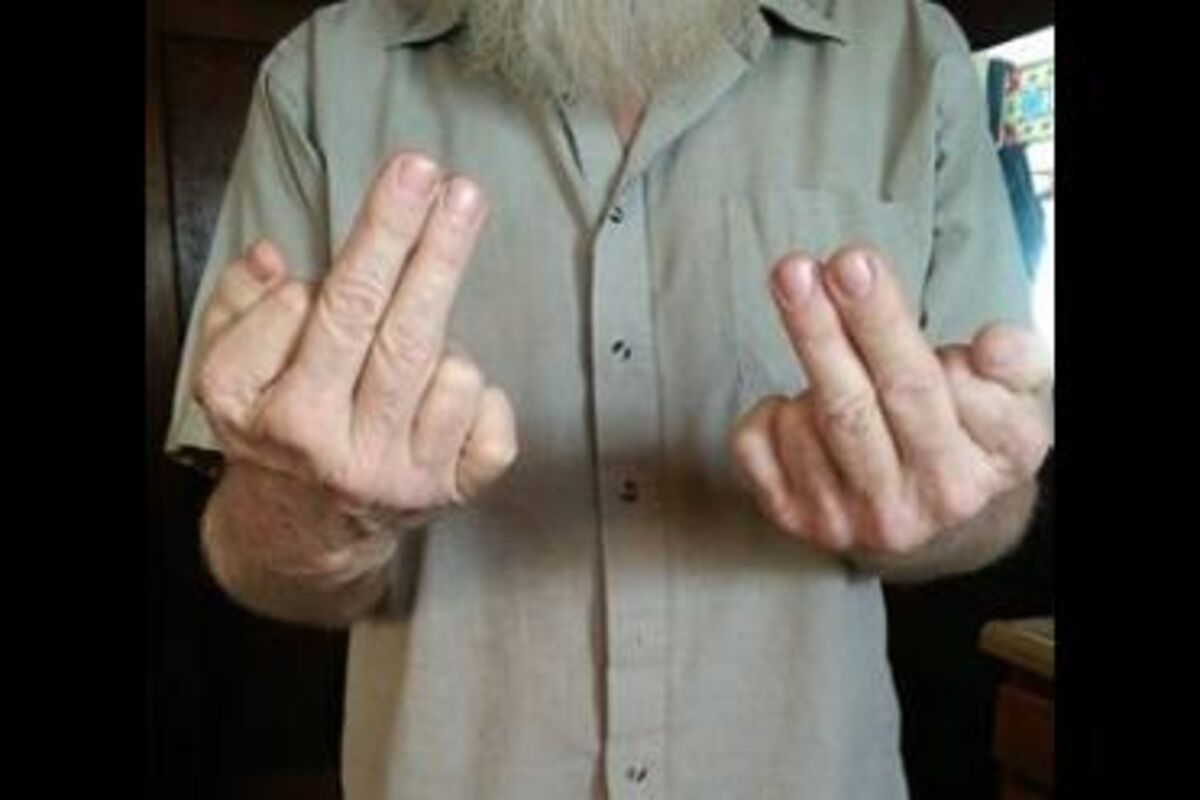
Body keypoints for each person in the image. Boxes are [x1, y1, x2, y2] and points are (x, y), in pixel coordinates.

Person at [164, 0, 1052, 797]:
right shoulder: (322, 74)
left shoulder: (910, 53)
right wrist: (315, 509)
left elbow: (993, 495)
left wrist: (933, 504)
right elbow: (253, 556)